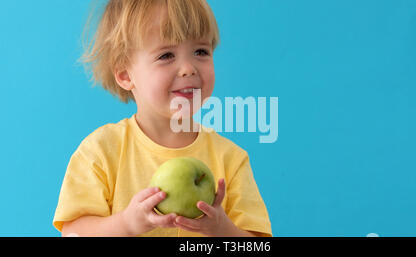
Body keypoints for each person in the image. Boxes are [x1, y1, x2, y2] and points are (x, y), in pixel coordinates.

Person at [53, 0, 272, 237]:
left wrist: (222, 230)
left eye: (201, 51)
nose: (188, 68)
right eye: (166, 55)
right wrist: (127, 224)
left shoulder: (230, 160)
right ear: (126, 74)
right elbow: (73, 234)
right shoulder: (100, 153)